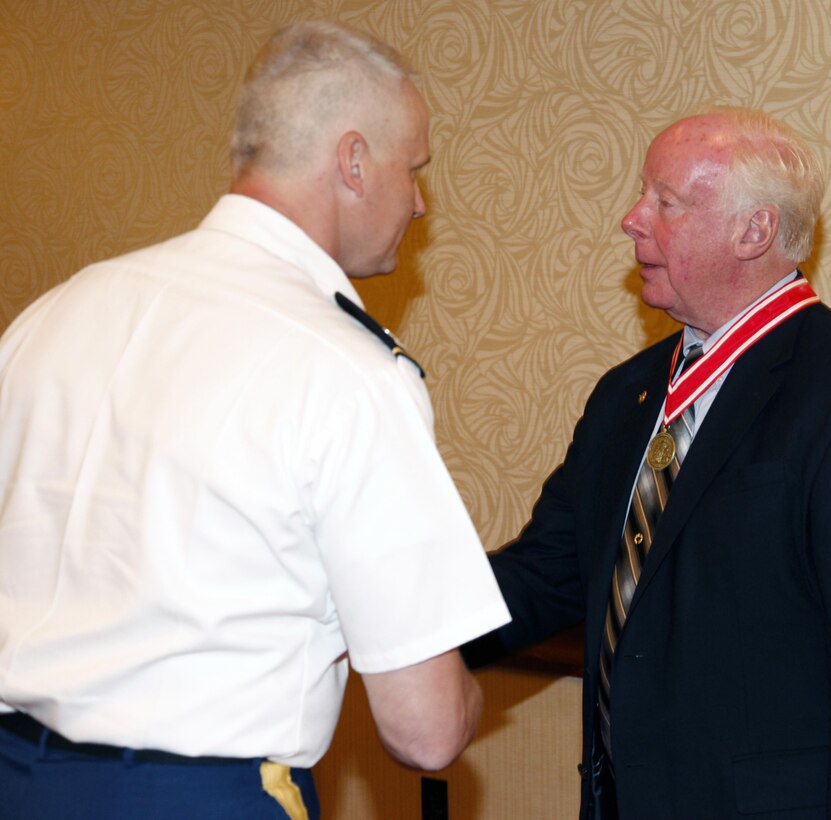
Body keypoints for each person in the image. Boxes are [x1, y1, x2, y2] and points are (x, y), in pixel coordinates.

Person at [0, 20, 509, 820]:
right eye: (413, 170)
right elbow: (427, 731)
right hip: (194, 797)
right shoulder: (348, 372)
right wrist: (470, 699)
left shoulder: (54, 316)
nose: (418, 203)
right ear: (352, 161)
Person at [465, 108, 831, 819]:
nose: (631, 219)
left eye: (665, 202)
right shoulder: (627, 395)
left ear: (754, 231)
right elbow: (545, 572)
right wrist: (380, 614)